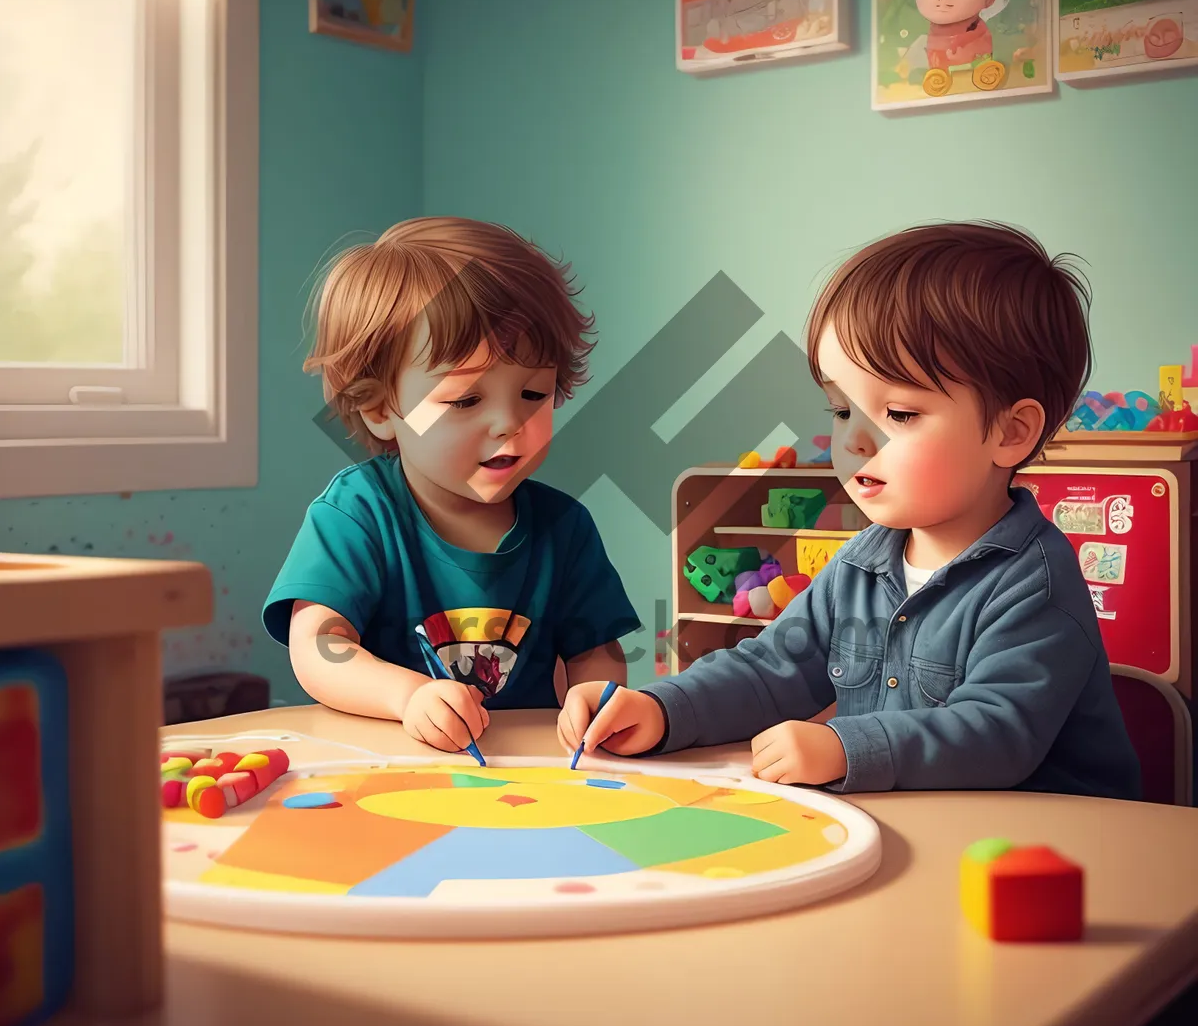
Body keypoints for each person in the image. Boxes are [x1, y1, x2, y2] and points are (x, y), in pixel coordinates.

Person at [560, 222, 1142, 800]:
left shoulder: (1034, 583)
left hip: (1045, 846)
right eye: (842, 410)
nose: (856, 442)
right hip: (924, 830)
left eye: (900, 414)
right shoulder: (860, 565)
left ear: (1011, 433)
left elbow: (997, 732)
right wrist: (661, 707)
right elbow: (769, 670)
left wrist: (846, 746)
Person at [265, 217, 639, 755]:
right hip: (385, 768)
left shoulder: (565, 528)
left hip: (524, 776)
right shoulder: (357, 513)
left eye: (534, 393)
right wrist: (406, 696)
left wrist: (596, 698)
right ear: (378, 408)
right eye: (465, 400)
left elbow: (595, 652)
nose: (510, 422)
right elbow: (319, 644)